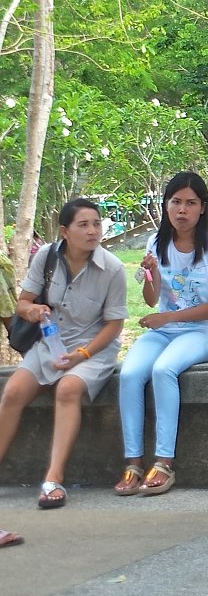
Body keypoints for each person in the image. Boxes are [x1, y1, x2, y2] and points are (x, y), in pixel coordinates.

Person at [0, 198, 127, 509]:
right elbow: (23, 303)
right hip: (50, 343)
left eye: (96, 223)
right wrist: (32, 311)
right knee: (13, 392)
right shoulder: (46, 257)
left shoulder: (112, 268)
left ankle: (53, 479)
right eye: (83, 225)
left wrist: (82, 354)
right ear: (65, 231)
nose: (93, 231)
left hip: (93, 346)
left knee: (68, 388)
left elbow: (114, 326)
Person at [114, 172, 208, 496]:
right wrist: (150, 274)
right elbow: (151, 299)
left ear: (202, 208)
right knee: (129, 374)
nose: (182, 210)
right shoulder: (156, 242)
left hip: (199, 331)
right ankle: (133, 463)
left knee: (162, 370)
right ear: (166, 206)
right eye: (176, 202)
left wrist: (167, 316)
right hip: (163, 330)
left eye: (190, 203)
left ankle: (164, 462)